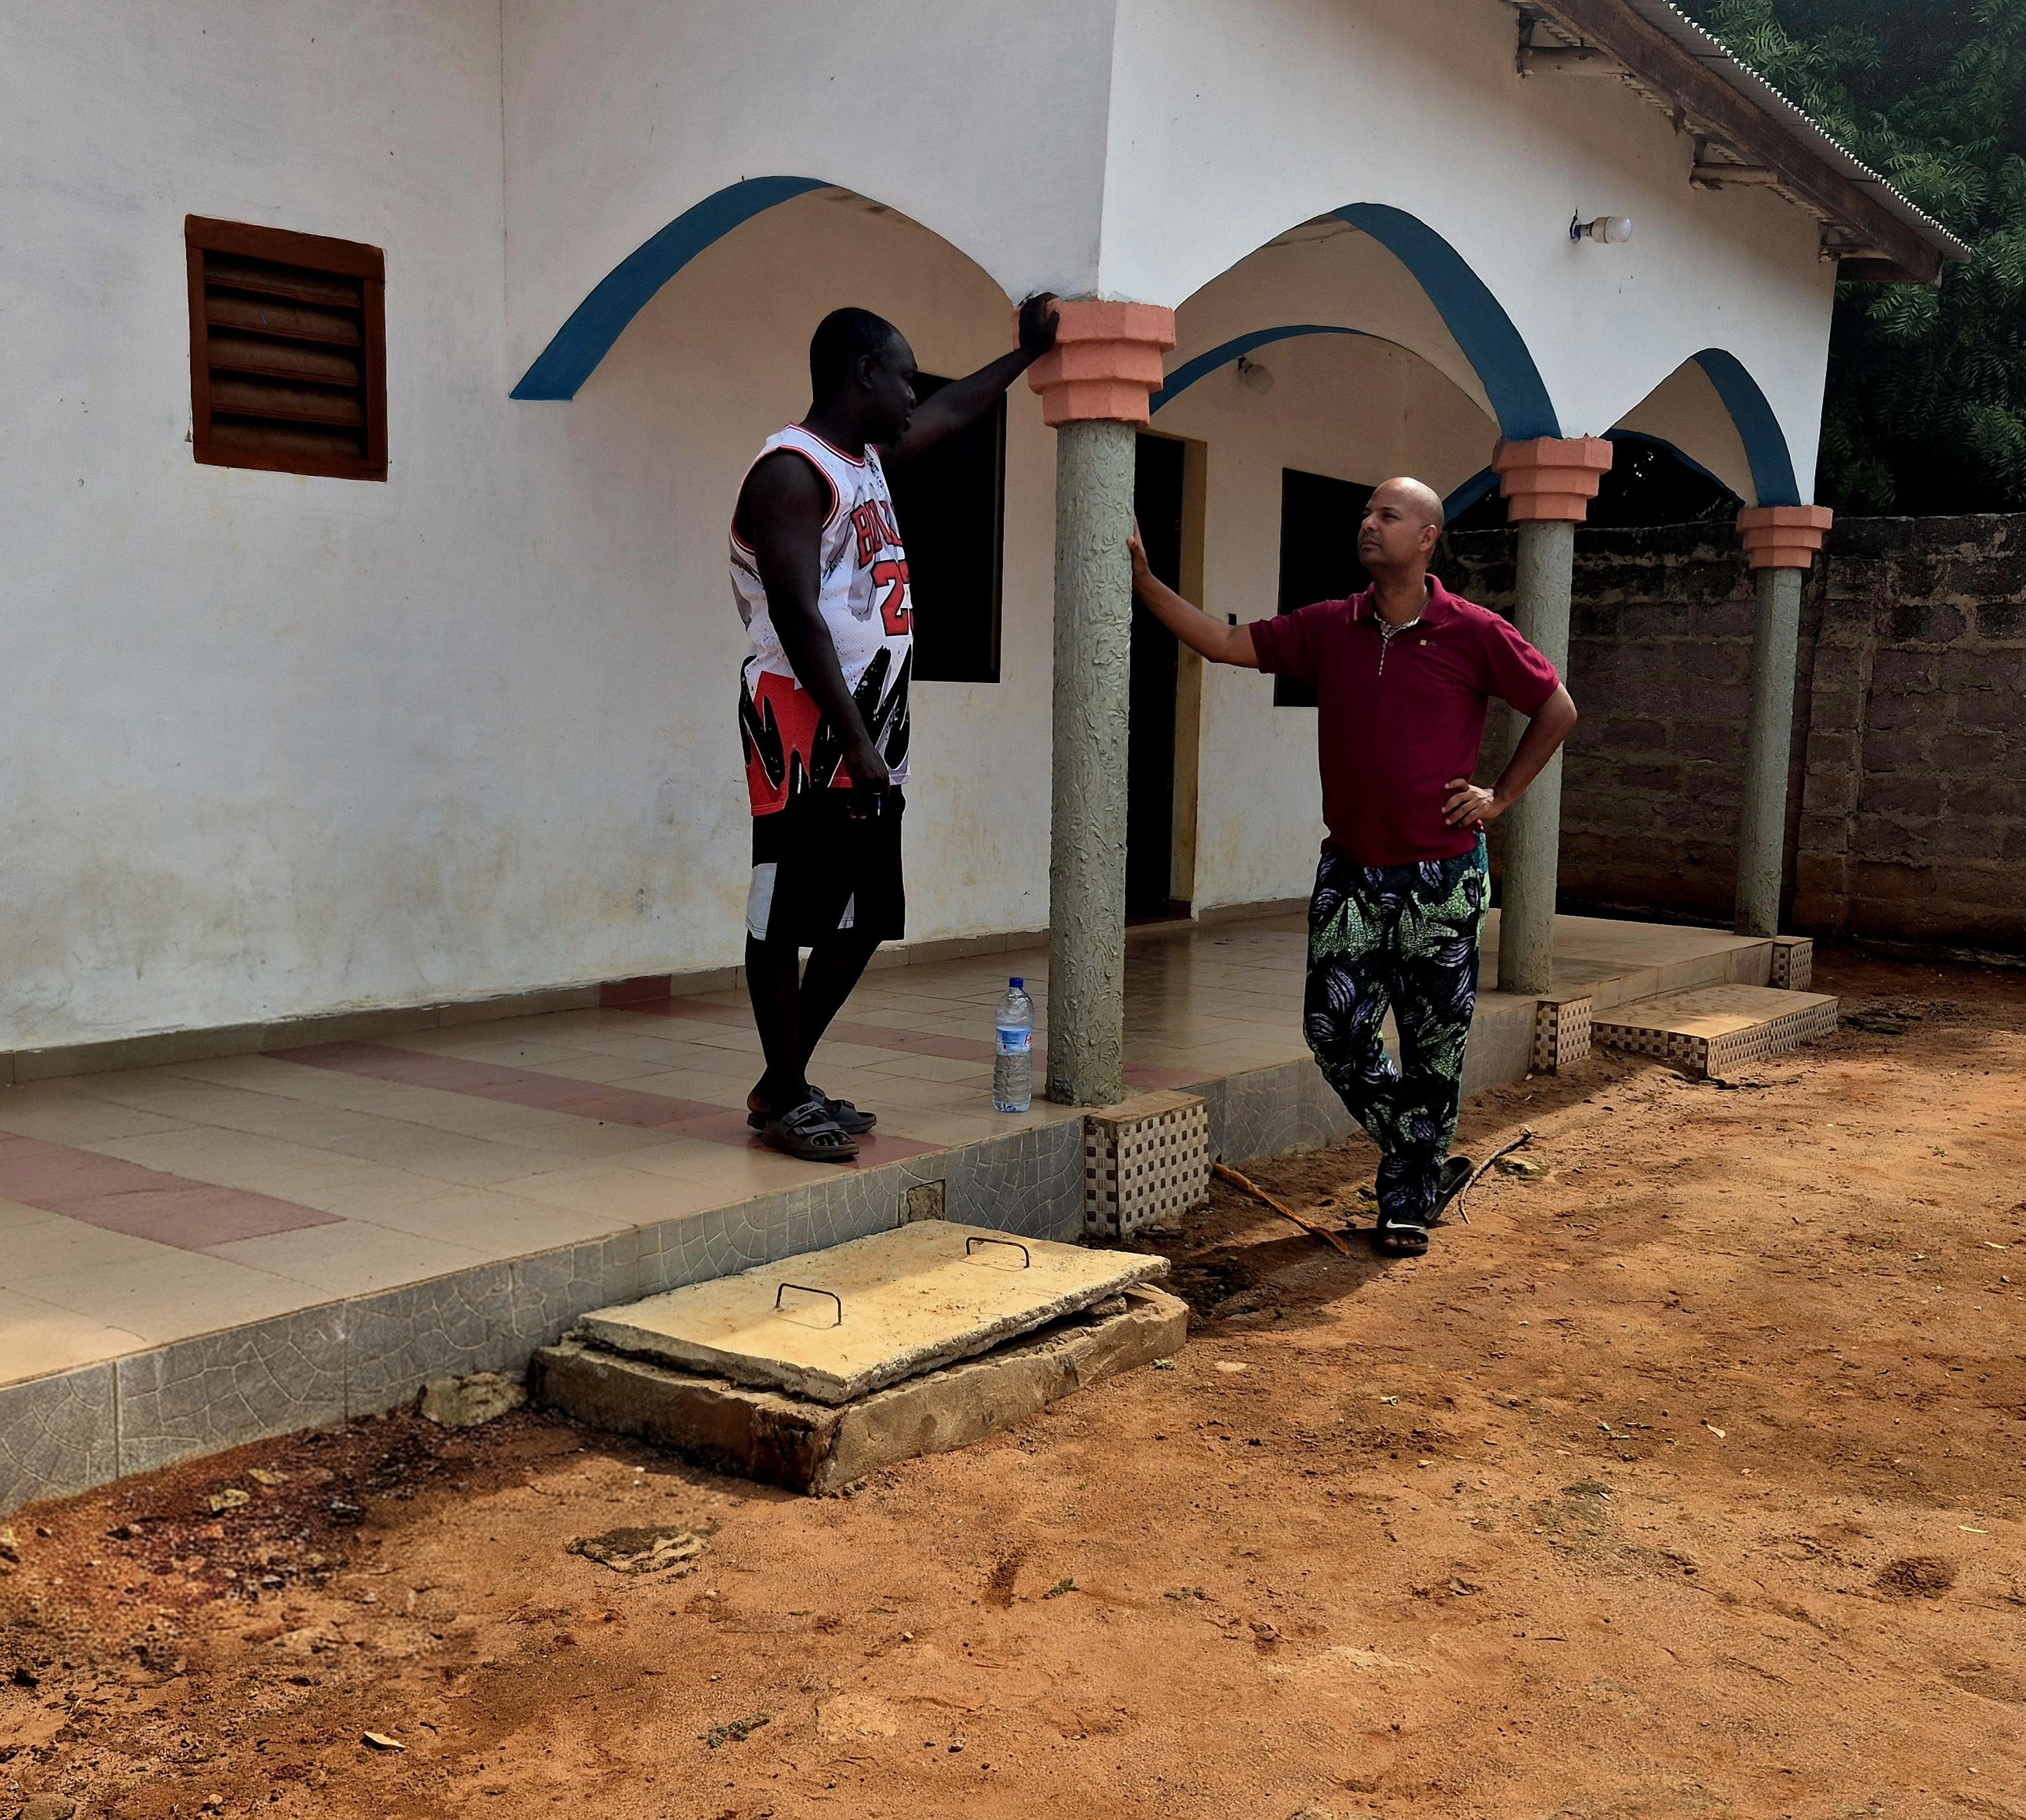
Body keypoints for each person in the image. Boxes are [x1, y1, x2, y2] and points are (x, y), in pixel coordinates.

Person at [1128, 477, 1578, 1253]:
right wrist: (1145, 583)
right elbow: (1224, 644)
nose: (1369, 524)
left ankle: (1405, 1199)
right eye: (1367, 513)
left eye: (1388, 515)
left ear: (1427, 537)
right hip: (1352, 875)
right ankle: (1425, 1155)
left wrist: (1500, 796)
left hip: (1442, 878)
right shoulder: (1330, 626)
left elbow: (1557, 707)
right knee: (1332, 1029)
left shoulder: (1474, 632)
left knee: (1434, 1043)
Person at [731, 296, 1059, 1160]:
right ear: (863, 372)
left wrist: (1025, 355)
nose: (916, 394)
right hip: (804, 727)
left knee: (867, 911)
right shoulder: (791, 473)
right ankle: (784, 1092)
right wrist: (856, 738)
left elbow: (950, 412)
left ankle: (784, 1081)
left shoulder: (865, 461)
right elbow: (797, 615)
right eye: (905, 378)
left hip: (870, 724)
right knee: (785, 915)